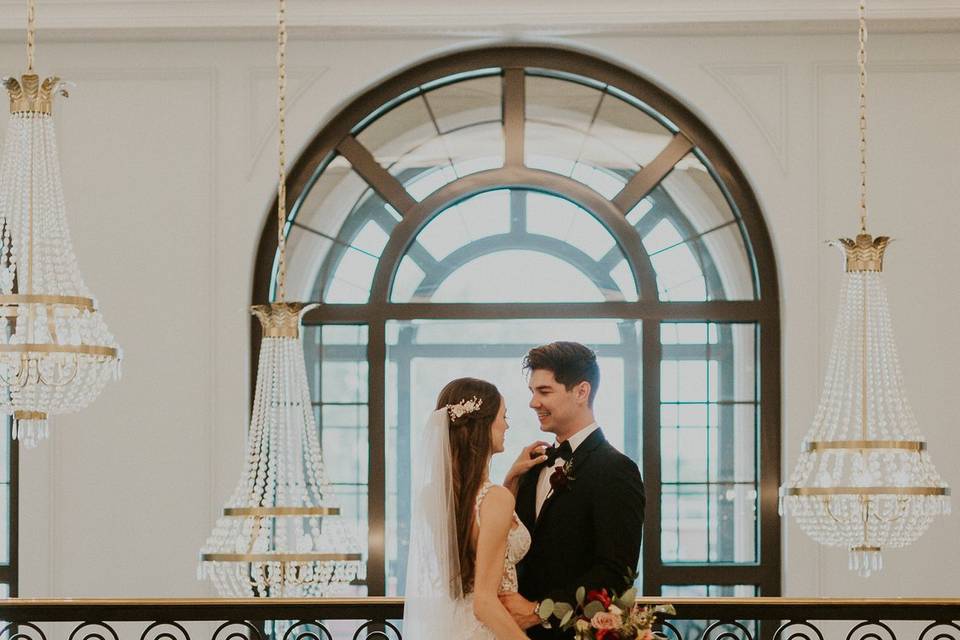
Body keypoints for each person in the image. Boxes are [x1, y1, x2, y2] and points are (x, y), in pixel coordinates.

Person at [501, 341, 646, 639]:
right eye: (532, 392)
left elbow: (614, 572)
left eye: (544, 392)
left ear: (581, 392)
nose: (533, 403)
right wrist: (511, 483)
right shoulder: (531, 467)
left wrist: (537, 611)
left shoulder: (616, 469)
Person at [403, 377, 546, 640]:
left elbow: (474, 540)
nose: (507, 425)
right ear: (484, 425)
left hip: (454, 626)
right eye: (504, 416)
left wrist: (510, 481)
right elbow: (484, 603)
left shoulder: (434, 496)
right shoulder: (495, 499)